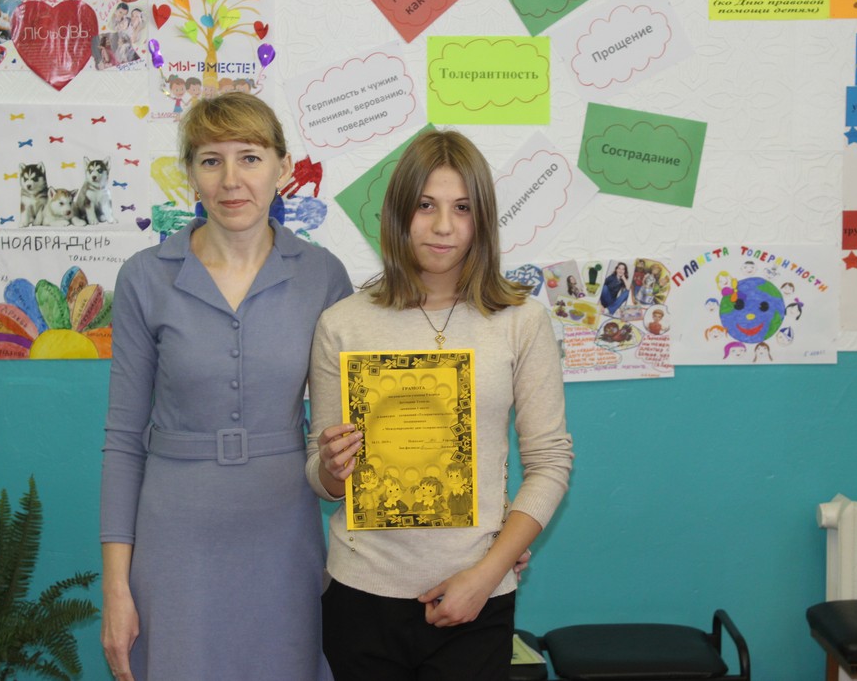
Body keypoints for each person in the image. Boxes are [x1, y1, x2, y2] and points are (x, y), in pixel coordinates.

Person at [306, 129, 573, 681]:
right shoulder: (343, 323)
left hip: (476, 594)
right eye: (426, 205)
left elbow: (550, 463)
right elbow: (321, 476)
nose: (444, 225)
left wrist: (488, 574)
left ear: (483, 219)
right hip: (360, 594)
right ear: (399, 213)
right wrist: (331, 469)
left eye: (462, 207)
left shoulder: (520, 322)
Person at [100, 93, 351, 681]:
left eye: (250, 158)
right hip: (173, 538)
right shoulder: (144, 277)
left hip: (284, 534)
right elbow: (122, 440)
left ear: (282, 168)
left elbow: (347, 437)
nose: (231, 180)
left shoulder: (323, 275)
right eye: (211, 160)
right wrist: (116, 588)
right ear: (190, 174)